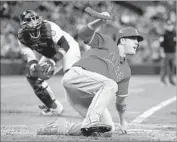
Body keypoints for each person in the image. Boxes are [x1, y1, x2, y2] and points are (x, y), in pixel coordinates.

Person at [37, 12, 143, 137]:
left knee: (108, 130)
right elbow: (83, 34)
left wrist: (122, 121)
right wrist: (98, 21)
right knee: (110, 84)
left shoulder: (126, 71)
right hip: (76, 76)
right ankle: (91, 120)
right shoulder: (108, 43)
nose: (137, 43)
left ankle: (58, 127)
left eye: (138, 40)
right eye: (134, 39)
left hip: (85, 98)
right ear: (123, 40)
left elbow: (121, 102)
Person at [17, 10, 81, 115]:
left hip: (68, 48)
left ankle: (93, 102)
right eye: (29, 19)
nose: (33, 21)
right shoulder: (22, 38)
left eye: (34, 18)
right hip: (51, 54)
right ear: (22, 23)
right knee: (33, 78)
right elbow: (30, 57)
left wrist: (53, 61)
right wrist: (34, 66)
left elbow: (65, 45)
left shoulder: (50, 27)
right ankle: (54, 108)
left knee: (70, 80)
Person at [159, 20, 176, 86]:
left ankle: (171, 80)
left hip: (172, 52)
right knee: (164, 67)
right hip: (166, 52)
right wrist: (162, 52)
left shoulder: (174, 33)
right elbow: (161, 44)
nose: (170, 26)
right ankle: (162, 81)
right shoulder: (164, 33)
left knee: (172, 68)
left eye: (171, 25)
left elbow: (174, 43)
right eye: (169, 25)